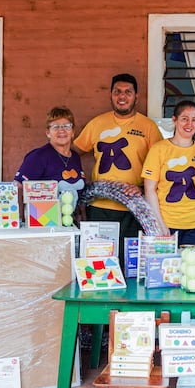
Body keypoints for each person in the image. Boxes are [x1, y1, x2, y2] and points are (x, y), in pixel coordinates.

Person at [73, 73, 162, 262]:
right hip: (99, 206)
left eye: (128, 92)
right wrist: (77, 181)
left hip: (134, 208)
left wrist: (141, 188)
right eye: (117, 92)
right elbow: (73, 153)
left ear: (136, 96)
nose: (122, 96)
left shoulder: (148, 127)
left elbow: (159, 165)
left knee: (131, 264)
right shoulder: (97, 123)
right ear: (111, 95)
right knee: (100, 263)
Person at [141, 100, 195, 246]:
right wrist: (159, 223)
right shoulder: (159, 149)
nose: (189, 124)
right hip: (167, 223)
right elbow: (149, 189)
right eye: (184, 119)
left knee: (194, 267)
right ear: (174, 120)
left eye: (194, 120)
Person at [14, 106, 86, 222]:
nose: (62, 130)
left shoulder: (75, 157)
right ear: (48, 133)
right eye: (56, 127)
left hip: (68, 224)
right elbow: (18, 187)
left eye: (66, 126)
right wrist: (20, 220)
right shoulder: (38, 156)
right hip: (42, 224)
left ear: (72, 132)